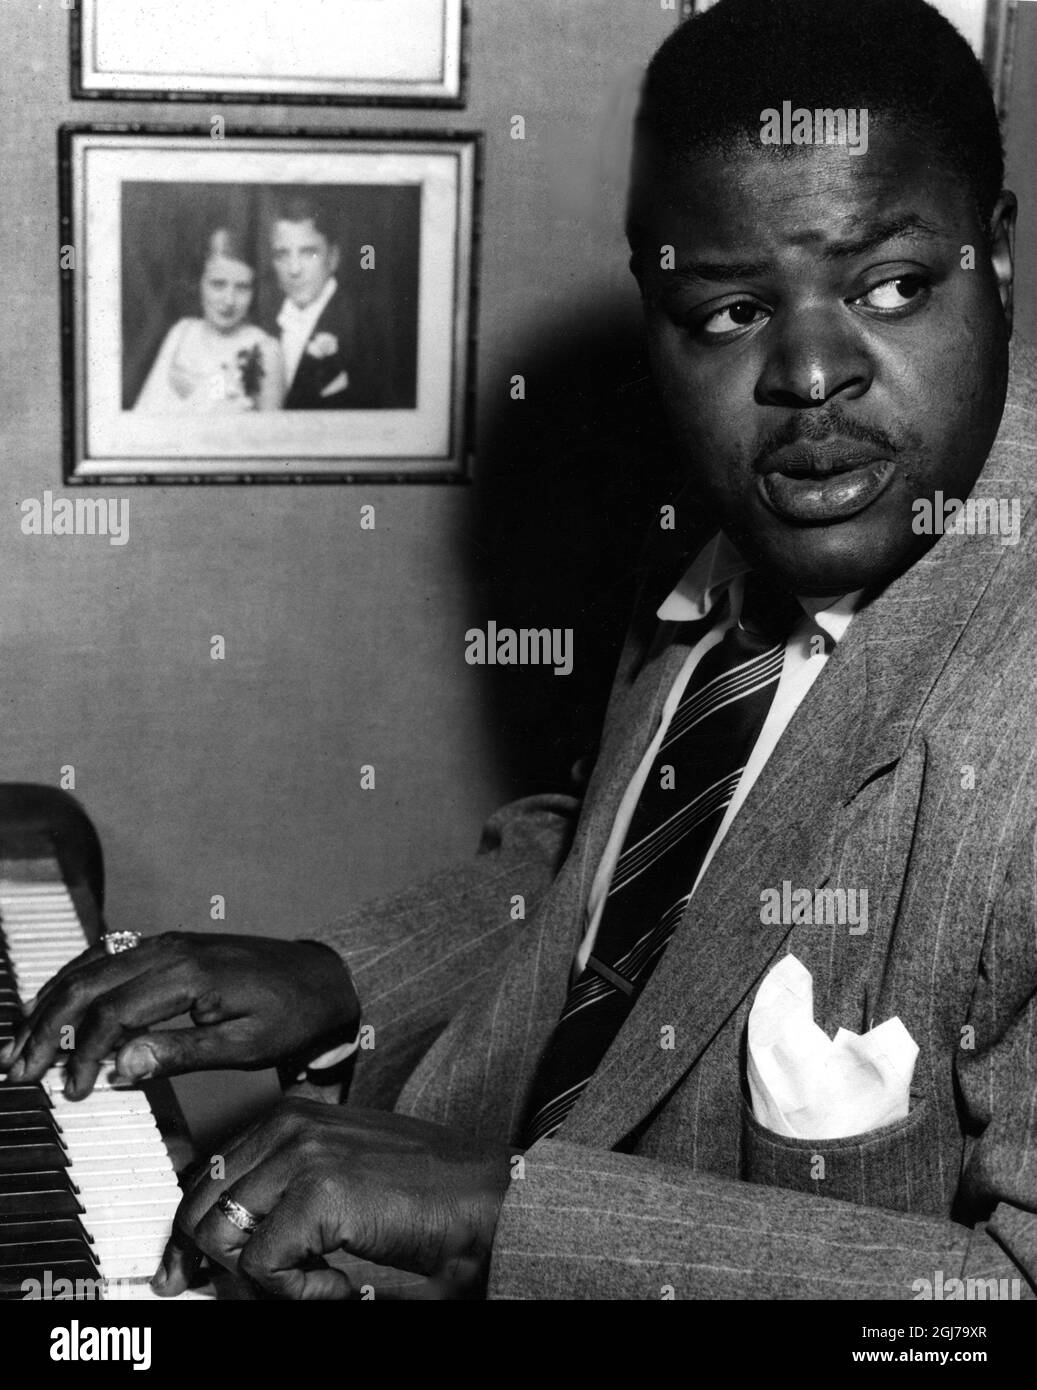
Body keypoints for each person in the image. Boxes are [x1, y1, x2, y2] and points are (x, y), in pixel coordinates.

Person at [5, 0, 1037, 1300]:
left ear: (994, 255)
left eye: (890, 285)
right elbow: (629, 864)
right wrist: (340, 978)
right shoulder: (788, 509)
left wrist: (499, 1214)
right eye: (726, 310)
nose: (809, 372)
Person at [133, 228, 284, 413]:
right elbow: (143, 411)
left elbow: (272, 436)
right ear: (199, 283)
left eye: (242, 288)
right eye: (218, 284)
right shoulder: (182, 331)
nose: (229, 300)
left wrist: (199, 391)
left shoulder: (264, 349)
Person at [270, 195, 391, 410]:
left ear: (333, 257)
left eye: (309, 253)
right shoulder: (264, 324)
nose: (294, 269)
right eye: (282, 254)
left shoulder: (363, 326)